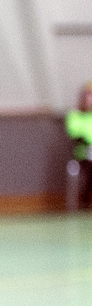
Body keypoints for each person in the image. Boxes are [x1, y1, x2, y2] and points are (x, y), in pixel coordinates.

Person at [66, 81, 92, 211]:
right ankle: (87, 197)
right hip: (83, 152)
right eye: (89, 95)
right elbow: (74, 133)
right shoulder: (75, 115)